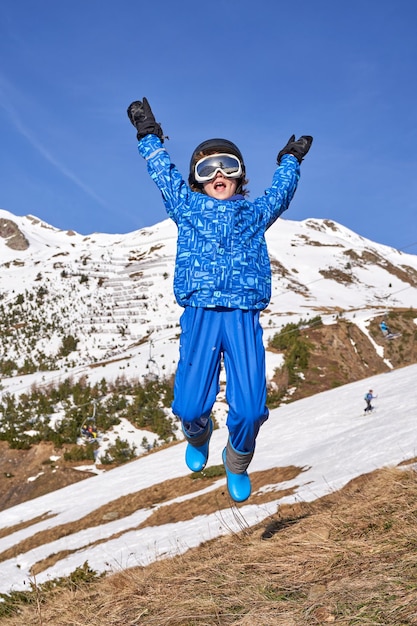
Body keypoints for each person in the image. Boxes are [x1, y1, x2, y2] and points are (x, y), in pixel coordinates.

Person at [127, 97, 312, 502]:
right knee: (190, 406)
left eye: (229, 165)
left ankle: (238, 458)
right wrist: (148, 136)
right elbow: (162, 174)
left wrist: (290, 161)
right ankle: (199, 435)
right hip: (201, 313)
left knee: (249, 409)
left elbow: (281, 193)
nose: (219, 174)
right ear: (197, 178)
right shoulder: (187, 206)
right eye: (208, 168)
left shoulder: (254, 213)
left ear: (240, 175)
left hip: (243, 315)